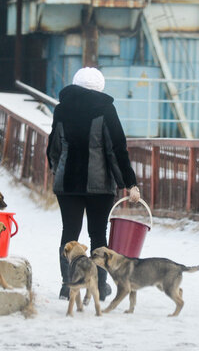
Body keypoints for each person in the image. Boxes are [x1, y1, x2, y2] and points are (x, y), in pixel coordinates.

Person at [46, 67, 140, 301]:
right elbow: (116, 148)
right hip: (99, 186)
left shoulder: (62, 109)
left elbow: (53, 148)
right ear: (100, 86)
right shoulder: (105, 109)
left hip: (67, 185)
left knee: (69, 234)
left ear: (76, 84)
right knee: (98, 234)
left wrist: (58, 169)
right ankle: (98, 286)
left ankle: (69, 286)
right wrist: (129, 183)